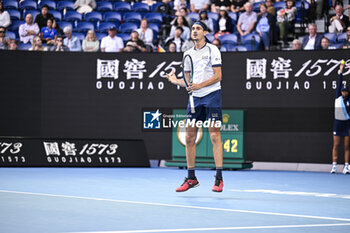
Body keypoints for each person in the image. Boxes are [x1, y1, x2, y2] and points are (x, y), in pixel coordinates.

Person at [166, 21, 224, 192]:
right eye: (193, 29)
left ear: (205, 32)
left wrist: (200, 85)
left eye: (198, 29)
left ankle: (219, 178)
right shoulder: (187, 54)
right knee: (189, 138)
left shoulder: (213, 49)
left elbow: (218, 76)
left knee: (214, 136)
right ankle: (191, 178)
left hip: (212, 95)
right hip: (195, 99)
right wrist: (175, 80)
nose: (195, 31)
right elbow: (188, 82)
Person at [331, 61, 350, 174]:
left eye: (346, 91)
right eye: (343, 91)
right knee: (336, 145)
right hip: (338, 123)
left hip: (347, 124)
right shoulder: (338, 97)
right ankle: (334, 166)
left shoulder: (349, 100)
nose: (344, 92)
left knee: (347, 145)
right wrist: (341, 71)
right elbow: (339, 83)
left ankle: (346, 166)